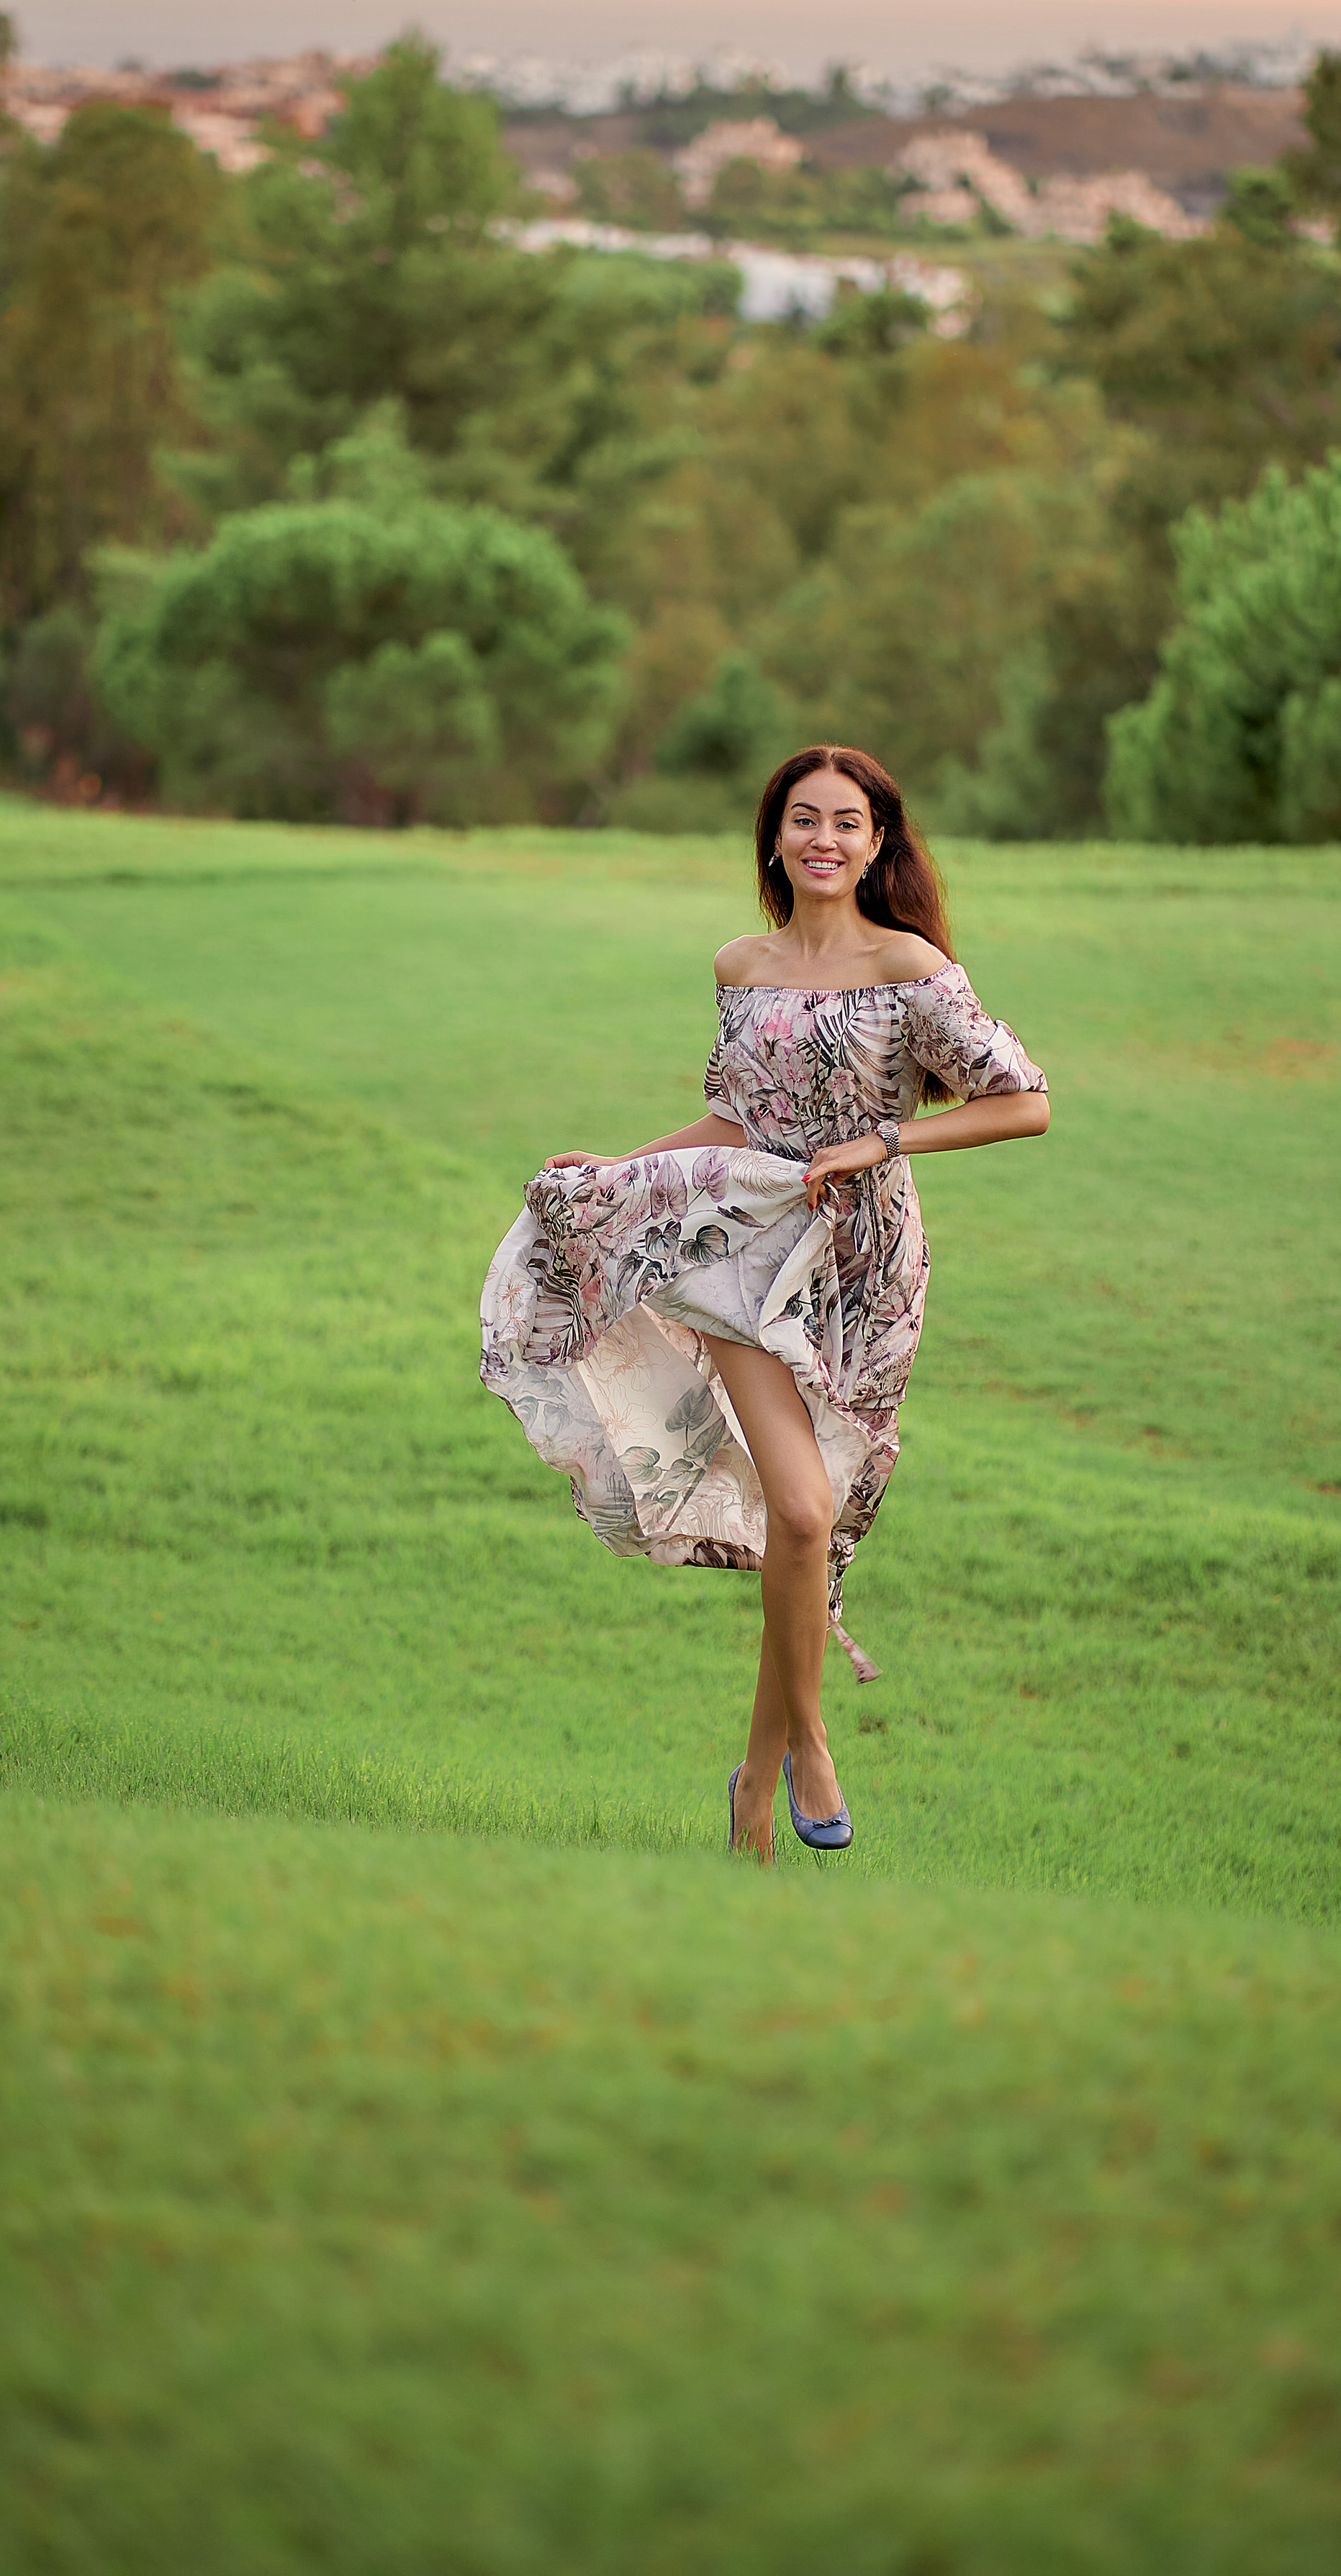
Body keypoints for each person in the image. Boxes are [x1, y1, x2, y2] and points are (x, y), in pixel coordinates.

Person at [479, 744, 1049, 1862]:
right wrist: (619, 1170)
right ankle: (813, 1744)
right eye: (804, 819)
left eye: (846, 822)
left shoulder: (910, 966)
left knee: (813, 1524)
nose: (823, 839)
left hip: (867, 1266)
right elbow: (734, 1121)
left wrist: (883, 1141)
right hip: (744, 1247)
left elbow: (1023, 1102)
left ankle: (754, 1781)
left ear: (876, 844)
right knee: (799, 1509)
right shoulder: (740, 966)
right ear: (775, 838)